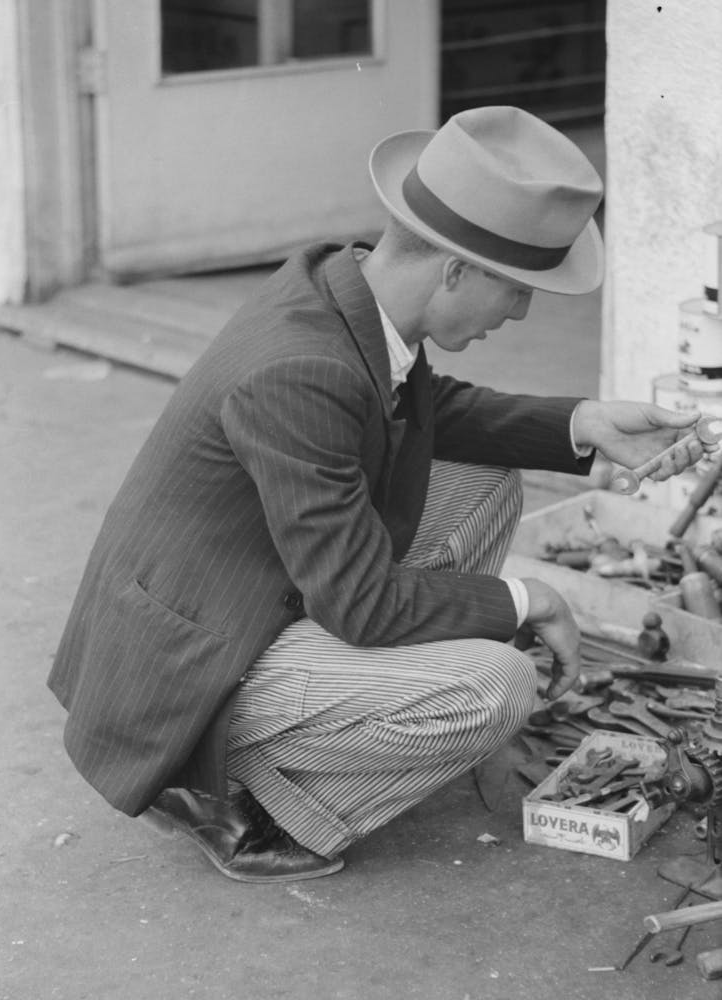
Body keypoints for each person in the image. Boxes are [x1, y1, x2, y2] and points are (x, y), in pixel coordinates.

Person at [48, 106, 714, 884]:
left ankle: (366, 708)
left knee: (486, 485)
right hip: (186, 669)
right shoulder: (300, 369)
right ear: (457, 271)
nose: (524, 312)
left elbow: (428, 411)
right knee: (496, 686)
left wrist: (584, 422)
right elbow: (362, 605)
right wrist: (530, 600)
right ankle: (248, 799)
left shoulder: (349, 288)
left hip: (252, 593)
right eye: (518, 289)